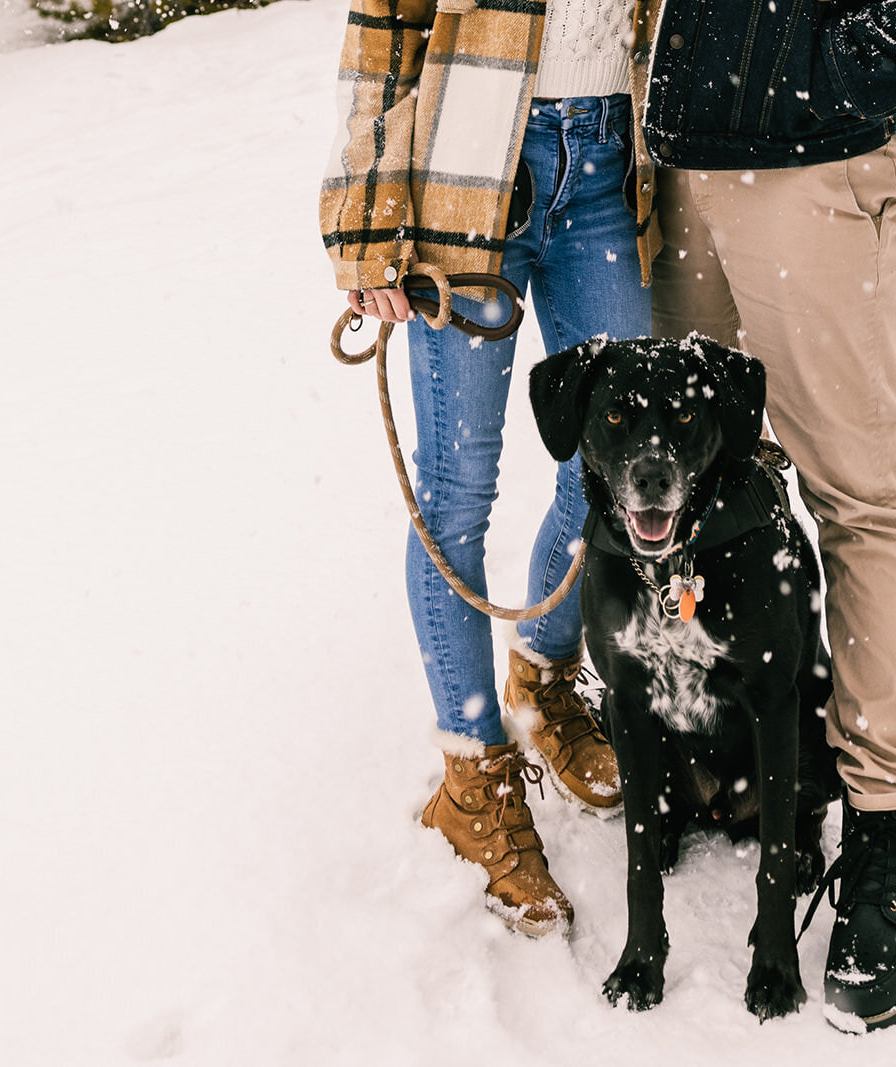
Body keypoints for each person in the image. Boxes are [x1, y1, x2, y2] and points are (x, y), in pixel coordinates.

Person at [637, 0, 896, 1030]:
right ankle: (723, 748)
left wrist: (856, 66)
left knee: (857, 500)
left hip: (818, 156)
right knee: (696, 492)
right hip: (682, 156)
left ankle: (884, 830)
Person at [319, 0, 659, 937]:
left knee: (611, 469)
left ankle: (544, 680)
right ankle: (472, 775)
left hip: (604, 162)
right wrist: (364, 224)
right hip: (470, 175)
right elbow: (385, 28)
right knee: (458, 493)